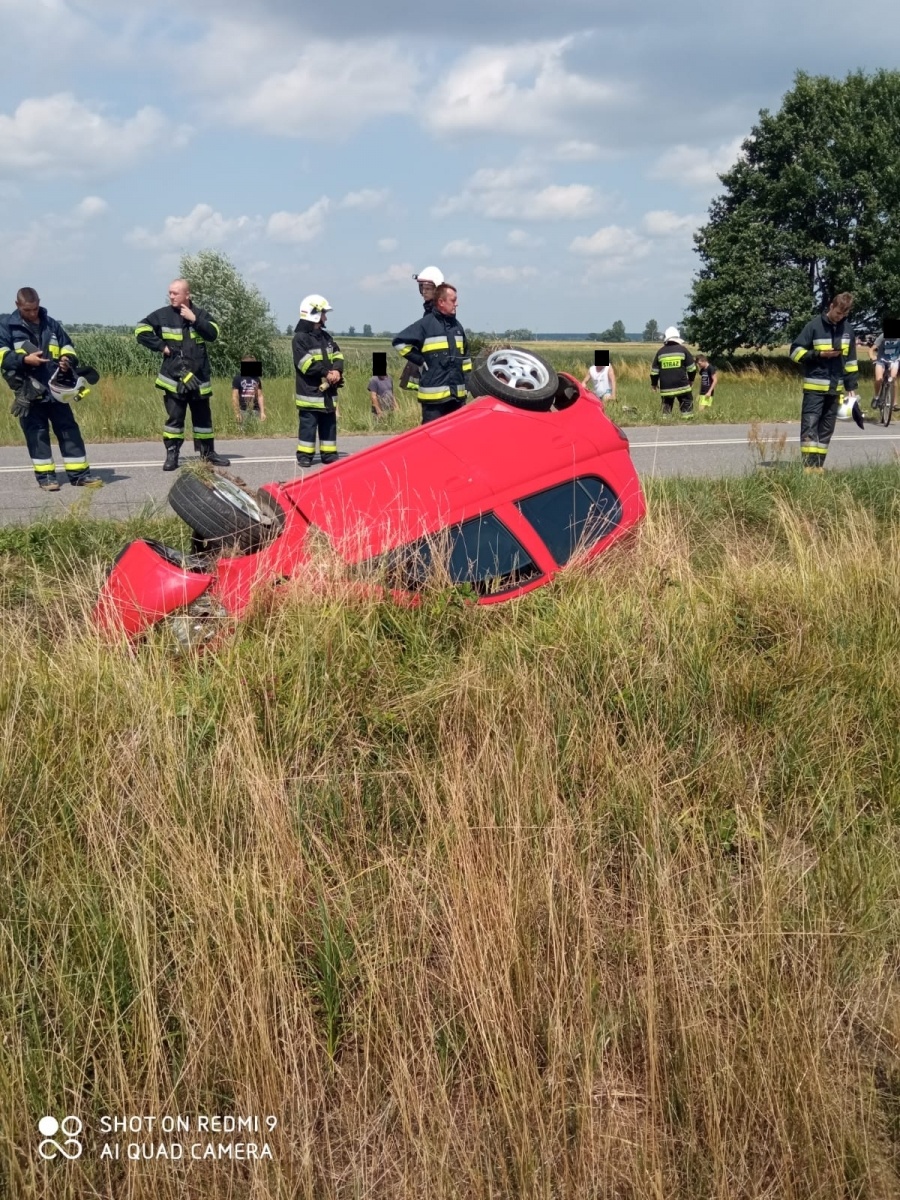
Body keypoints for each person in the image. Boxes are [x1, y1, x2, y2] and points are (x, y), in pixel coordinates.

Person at [0, 287, 102, 489]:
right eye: (27, 310)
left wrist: (67, 359)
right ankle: (46, 477)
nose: (32, 313)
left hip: (56, 389)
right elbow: (2, 356)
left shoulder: (51, 324)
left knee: (69, 430)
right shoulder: (6, 326)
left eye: (35, 308)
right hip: (29, 390)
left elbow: (68, 346)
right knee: (36, 432)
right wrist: (24, 359)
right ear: (17, 305)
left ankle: (80, 474)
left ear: (40, 302)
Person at [135, 278, 230, 471]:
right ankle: (172, 454)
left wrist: (194, 319)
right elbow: (140, 330)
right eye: (170, 292)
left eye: (175, 293)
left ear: (187, 295)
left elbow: (214, 333)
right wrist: (161, 346)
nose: (171, 296)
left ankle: (207, 453)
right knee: (175, 420)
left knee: (203, 419)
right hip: (174, 378)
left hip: (198, 379)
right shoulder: (161, 315)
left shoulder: (201, 314)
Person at [789, 292, 858, 471]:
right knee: (810, 426)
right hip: (814, 388)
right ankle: (808, 467)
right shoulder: (813, 326)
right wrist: (819, 354)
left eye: (843, 315)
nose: (839, 317)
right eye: (837, 313)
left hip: (836, 389)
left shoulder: (848, 331)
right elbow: (795, 352)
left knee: (827, 429)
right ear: (831, 306)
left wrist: (851, 387)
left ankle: (818, 467)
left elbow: (850, 362)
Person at [393, 282, 471, 423]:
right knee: (432, 441)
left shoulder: (457, 326)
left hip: (456, 398)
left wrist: (467, 385)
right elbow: (399, 342)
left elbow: (466, 358)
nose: (457, 304)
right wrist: (420, 360)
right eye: (453, 300)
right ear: (441, 302)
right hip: (433, 401)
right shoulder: (425, 324)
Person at [293, 293, 344, 467]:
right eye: (323, 313)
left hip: (328, 394)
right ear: (314, 313)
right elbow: (305, 364)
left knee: (329, 424)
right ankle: (305, 456)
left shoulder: (326, 337)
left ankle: (329, 454)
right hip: (310, 393)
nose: (325, 317)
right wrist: (326, 373)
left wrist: (337, 370)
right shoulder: (300, 339)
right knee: (308, 426)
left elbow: (338, 355)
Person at [399, 265, 444, 395]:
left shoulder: (437, 314)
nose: (424, 292)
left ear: (437, 290)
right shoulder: (429, 311)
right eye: (422, 288)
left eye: (428, 288)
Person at [649, 326, 697, 417]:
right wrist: (691, 380)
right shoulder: (683, 350)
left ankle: (666, 425)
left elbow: (654, 372)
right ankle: (688, 422)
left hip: (666, 388)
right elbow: (692, 369)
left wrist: (654, 384)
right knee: (686, 405)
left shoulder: (660, 352)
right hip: (682, 386)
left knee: (666, 407)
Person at [869, 321, 900, 411]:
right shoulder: (882, 336)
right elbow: (872, 349)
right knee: (879, 379)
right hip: (881, 360)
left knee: (893, 379)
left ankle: (894, 403)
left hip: (894, 360)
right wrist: (872, 357)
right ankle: (876, 397)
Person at [231, 357, 266, 425]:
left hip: (255, 410)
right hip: (243, 410)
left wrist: (262, 412)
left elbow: (260, 396)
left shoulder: (257, 379)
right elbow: (235, 397)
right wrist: (237, 413)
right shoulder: (237, 378)